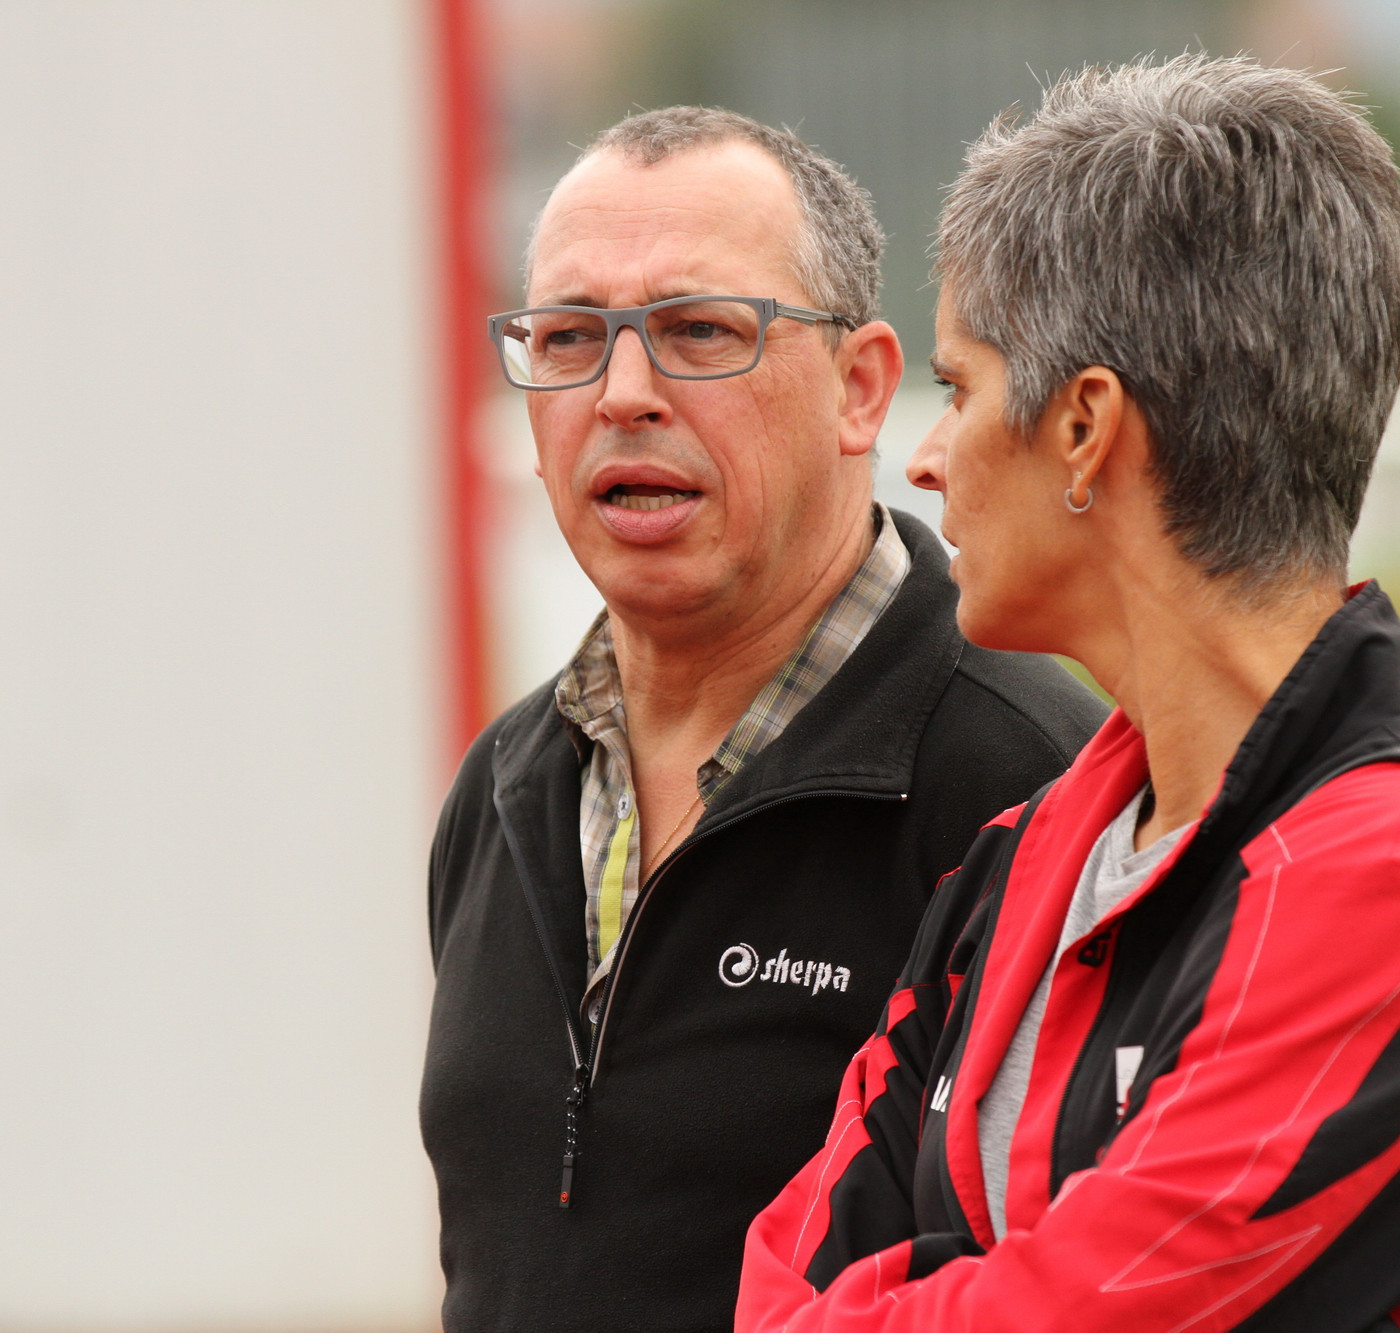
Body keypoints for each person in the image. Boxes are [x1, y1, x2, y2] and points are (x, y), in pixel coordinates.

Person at [739, 56, 1400, 1332]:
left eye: (958, 389)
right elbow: (776, 1282)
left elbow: (1094, 1313)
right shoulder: (1018, 863)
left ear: (1084, 426)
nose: (924, 457)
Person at [420, 108, 1107, 1332]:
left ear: (859, 388)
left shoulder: (1028, 786)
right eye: (568, 337)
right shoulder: (505, 788)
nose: (622, 394)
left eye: (697, 331)